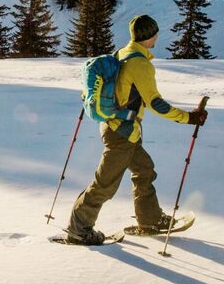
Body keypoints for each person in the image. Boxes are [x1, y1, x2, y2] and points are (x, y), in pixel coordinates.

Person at [64, 14, 208, 245]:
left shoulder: (122, 53)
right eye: (155, 33)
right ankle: (79, 229)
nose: (157, 36)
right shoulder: (140, 63)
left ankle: (150, 220)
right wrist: (188, 118)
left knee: (144, 170)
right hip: (122, 133)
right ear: (149, 35)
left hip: (120, 129)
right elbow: (156, 104)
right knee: (105, 185)